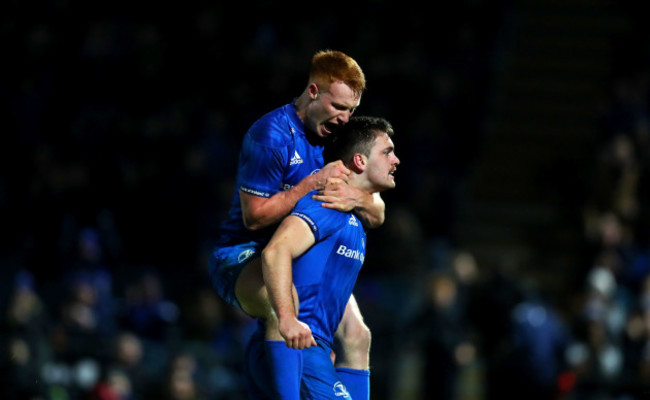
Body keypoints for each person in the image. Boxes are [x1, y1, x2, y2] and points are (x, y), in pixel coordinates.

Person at [208, 50, 385, 399]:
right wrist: (311, 183)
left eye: (351, 110)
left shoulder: (335, 139)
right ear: (314, 91)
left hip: (300, 261)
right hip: (244, 257)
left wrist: (360, 199)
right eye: (339, 107)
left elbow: (377, 212)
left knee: (357, 334)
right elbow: (254, 216)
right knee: (283, 303)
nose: (345, 119)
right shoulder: (270, 135)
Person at [245, 116, 400, 399]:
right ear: (360, 161)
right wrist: (288, 319)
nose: (396, 160)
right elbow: (276, 251)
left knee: (359, 335)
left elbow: (377, 213)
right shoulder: (327, 202)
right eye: (387, 152)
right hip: (295, 347)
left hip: (313, 349)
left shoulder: (354, 215)